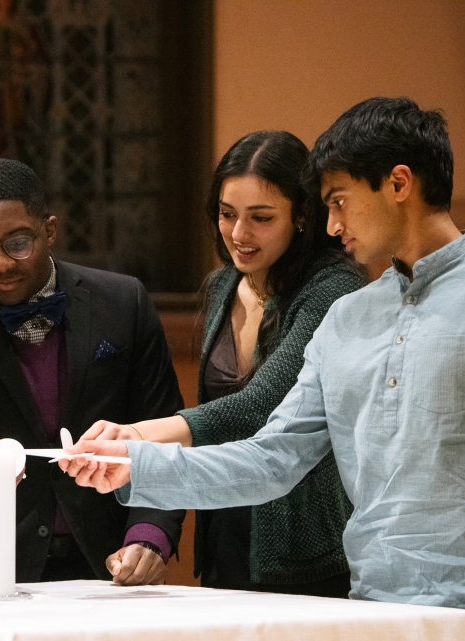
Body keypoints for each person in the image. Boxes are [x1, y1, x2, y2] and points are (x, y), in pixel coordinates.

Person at [63, 97, 465, 641]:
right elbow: (270, 457)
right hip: (379, 628)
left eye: (338, 200)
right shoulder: (348, 319)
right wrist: (131, 467)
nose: (331, 225)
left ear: (399, 183)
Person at [79, 131, 364, 595]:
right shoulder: (221, 285)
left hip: (303, 542)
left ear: (302, 216)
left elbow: (259, 407)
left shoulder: (332, 289)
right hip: (223, 527)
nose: (238, 234)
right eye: (227, 214)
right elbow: (214, 406)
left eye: (261, 218)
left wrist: (135, 436)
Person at [0, 158, 186, 587]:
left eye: (18, 243)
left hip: (114, 562)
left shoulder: (123, 303)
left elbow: (164, 432)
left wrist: (150, 534)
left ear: (49, 230)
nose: (0, 264)